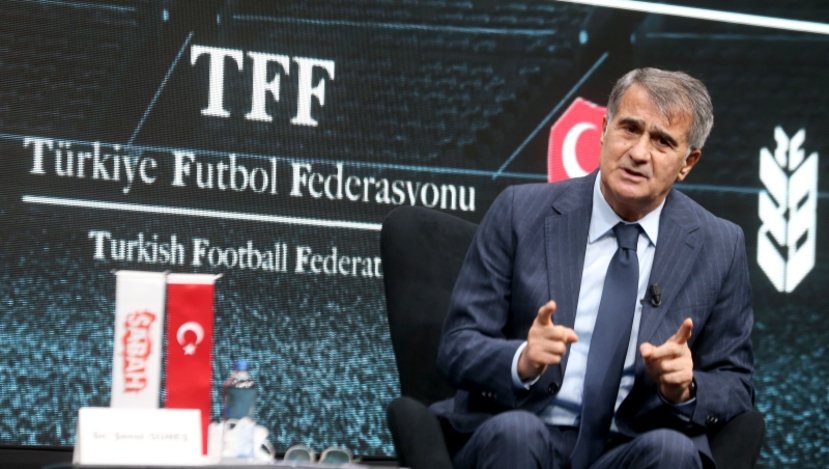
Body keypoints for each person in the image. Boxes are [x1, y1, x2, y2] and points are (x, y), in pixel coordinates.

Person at [431, 67, 754, 469]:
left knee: (672, 453)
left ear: (688, 162)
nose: (639, 152)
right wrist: (521, 361)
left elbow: (736, 382)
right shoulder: (519, 212)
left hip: (631, 447)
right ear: (603, 129)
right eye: (630, 129)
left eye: (662, 141)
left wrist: (686, 388)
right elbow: (457, 346)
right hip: (523, 430)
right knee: (518, 434)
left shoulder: (720, 245)